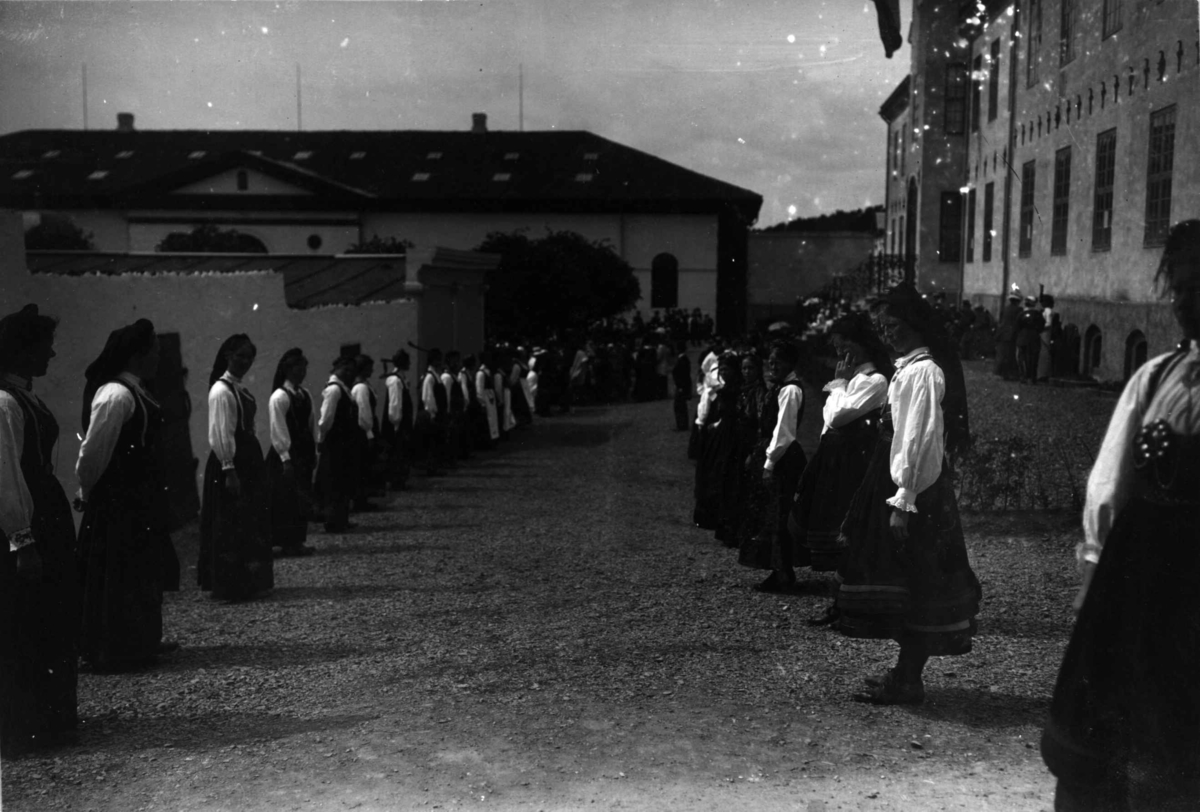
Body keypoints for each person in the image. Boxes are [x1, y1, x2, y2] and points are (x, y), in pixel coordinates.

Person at [1041, 220, 1200, 811]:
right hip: (1141, 577)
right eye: (1179, 288)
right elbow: (1109, 484)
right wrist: (1094, 580)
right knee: (1112, 728)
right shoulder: (1156, 376)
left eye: (1199, 288)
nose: (1185, 302)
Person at [834, 283, 980, 705]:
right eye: (883, 327)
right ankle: (904, 674)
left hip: (916, 490)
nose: (888, 334)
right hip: (904, 484)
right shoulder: (908, 367)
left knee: (920, 583)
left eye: (895, 326)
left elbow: (920, 440)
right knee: (907, 582)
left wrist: (906, 498)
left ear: (916, 326)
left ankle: (908, 679)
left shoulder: (922, 372)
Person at [76, 318, 179, 671]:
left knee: (141, 570)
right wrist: (86, 493)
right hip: (118, 501)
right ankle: (113, 649)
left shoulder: (140, 391)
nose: (158, 358)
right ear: (138, 354)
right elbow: (92, 455)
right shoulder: (115, 395)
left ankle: (142, 640)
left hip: (140, 499)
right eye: (155, 351)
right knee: (117, 573)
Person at [0, 305, 78, 757]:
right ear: (24, 349)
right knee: (26, 624)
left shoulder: (24, 397)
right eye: (45, 344)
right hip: (26, 530)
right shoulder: (5, 404)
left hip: (44, 520)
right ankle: (26, 726)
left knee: (48, 618)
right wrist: (21, 539)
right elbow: (6, 476)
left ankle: (50, 718)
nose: (52, 353)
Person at [792, 315, 891, 625]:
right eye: (835, 344)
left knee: (849, 532)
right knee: (832, 527)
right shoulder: (854, 381)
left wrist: (838, 385)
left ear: (861, 346)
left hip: (855, 465)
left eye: (843, 344)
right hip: (837, 462)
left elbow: (837, 416)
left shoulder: (875, 381)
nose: (838, 351)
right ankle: (839, 603)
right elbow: (828, 423)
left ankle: (850, 604)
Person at [198, 334, 274, 601]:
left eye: (249, 357)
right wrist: (229, 469)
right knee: (230, 522)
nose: (245, 362)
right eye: (240, 356)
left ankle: (248, 581)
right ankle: (229, 585)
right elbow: (221, 432)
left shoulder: (239, 389)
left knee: (247, 520)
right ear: (227, 355)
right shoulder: (221, 391)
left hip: (247, 461)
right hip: (231, 463)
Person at [738, 340, 807, 592]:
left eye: (779, 360)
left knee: (778, 514)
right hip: (772, 454)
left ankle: (784, 573)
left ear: (790, 362)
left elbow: (784, 432)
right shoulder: (779, 388)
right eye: (771, 360)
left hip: (782, 459)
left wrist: (769, 462)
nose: (773, 365)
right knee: (769, 514)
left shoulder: (790, 390)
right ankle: (777, 569)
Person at [264, 348, 317, 557]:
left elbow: (311, 423)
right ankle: (286, 542)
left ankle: (297, 540)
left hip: (302, 452)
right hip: (284, 455)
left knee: (301, 497)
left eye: (304, 367)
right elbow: (278, 428)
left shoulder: (304, 394)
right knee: (285, 499)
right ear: (287, 370)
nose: (302, 371)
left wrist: (313, 450)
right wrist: (285, 458)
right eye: (298, 367)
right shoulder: (279, 397)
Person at [315, 355, 358, 533]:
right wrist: (321, 439)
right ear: (337, 368)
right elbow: (325, 420)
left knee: (342, 480)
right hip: (335, 442)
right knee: (334, 481)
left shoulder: (343, 389)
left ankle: (341, 518)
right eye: (345, 369)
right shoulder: (334, 390)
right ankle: (333, 520)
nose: (348, 373)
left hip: (344, 442)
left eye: (351, 370)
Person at [351, 354, 381, 510]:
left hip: (366, 429)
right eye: (369, 367)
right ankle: (360, 500)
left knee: (365, 464)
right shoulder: (361, 387)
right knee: (362, 465)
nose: (372, 370)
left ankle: (363, 497)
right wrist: (369, 433)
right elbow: (364, 413)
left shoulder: (364, 384)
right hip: (363, 431)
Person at [381, 350, 414, 490]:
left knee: (402, 452)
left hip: (402, 425)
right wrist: (396, 424)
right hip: (396, 425)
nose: (410, 364)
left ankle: (400, 479)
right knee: (396, 452)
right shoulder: (395, 381)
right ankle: (396, 481)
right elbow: (395, 404)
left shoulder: (401, 378)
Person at [1016, 296, 1046, 383]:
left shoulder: (1021, 314)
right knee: (1033, 358)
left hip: (1022, 338)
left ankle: (1023, 376)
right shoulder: (1038, 314)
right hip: (1034, 338)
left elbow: (1017, 326)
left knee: (1022, 358)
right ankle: (1032, 377)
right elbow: (1041, 326)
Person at [994, 291, 1022, 379]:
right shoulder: (1019, 310)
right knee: (1010, 354)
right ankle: (1011, 374)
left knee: (1003, 354)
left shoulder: (1005, 308)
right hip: (1011, 335)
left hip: (1002, 334)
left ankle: (1002, 373)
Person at [671, 341, 692, 432]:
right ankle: (682, 424)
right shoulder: (683, 359)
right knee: (680, 406)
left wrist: (681, 387)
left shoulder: (682, 360)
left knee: (680, 406)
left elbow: (682, 375)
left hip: (681, 386)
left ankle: (682, 425)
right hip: (681, 386)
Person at [1037, 294, 1056, 383]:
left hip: (1045, 333)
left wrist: (1039, 327)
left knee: (1044, 352)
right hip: (1043, 333)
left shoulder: (1048, 311)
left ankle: (1043, 374)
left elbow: (1048, 323)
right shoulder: (1046, 310)